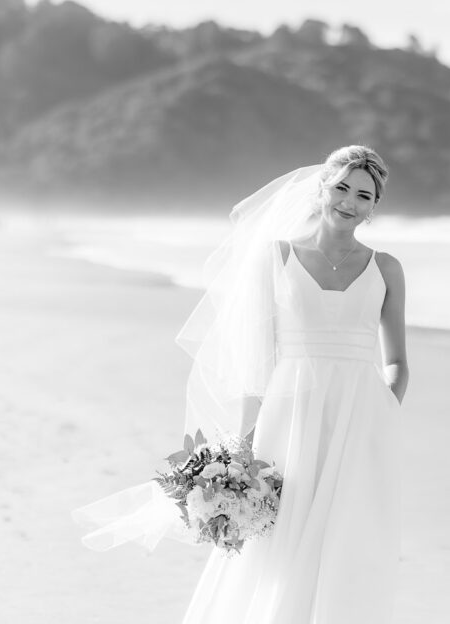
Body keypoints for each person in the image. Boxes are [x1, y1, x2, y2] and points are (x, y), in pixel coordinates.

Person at [73, 145, 408, 623]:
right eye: (341, 188)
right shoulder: (276, 257)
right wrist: (246, 442)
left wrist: (385, 410)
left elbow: (397, 361)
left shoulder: (387, 268)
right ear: (322, 188)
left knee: (347, 543)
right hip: (287, 417)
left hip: (363, 423)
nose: (349, 202)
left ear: (375, 207)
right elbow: (258, 357)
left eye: (363, 195)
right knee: (276, 543)